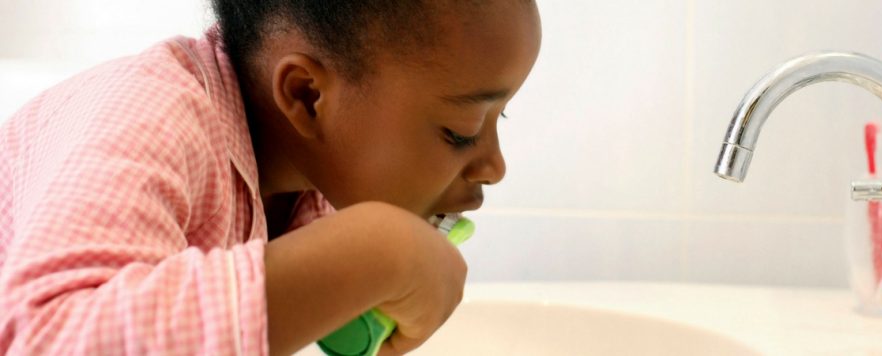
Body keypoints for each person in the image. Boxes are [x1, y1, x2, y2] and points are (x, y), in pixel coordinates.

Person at [0, 1, 542, 354]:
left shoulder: (312, 180)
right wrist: (378, 253)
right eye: (461, 130)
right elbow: (45, 339)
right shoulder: (151, 113)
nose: (494, 166)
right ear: (307, 96)